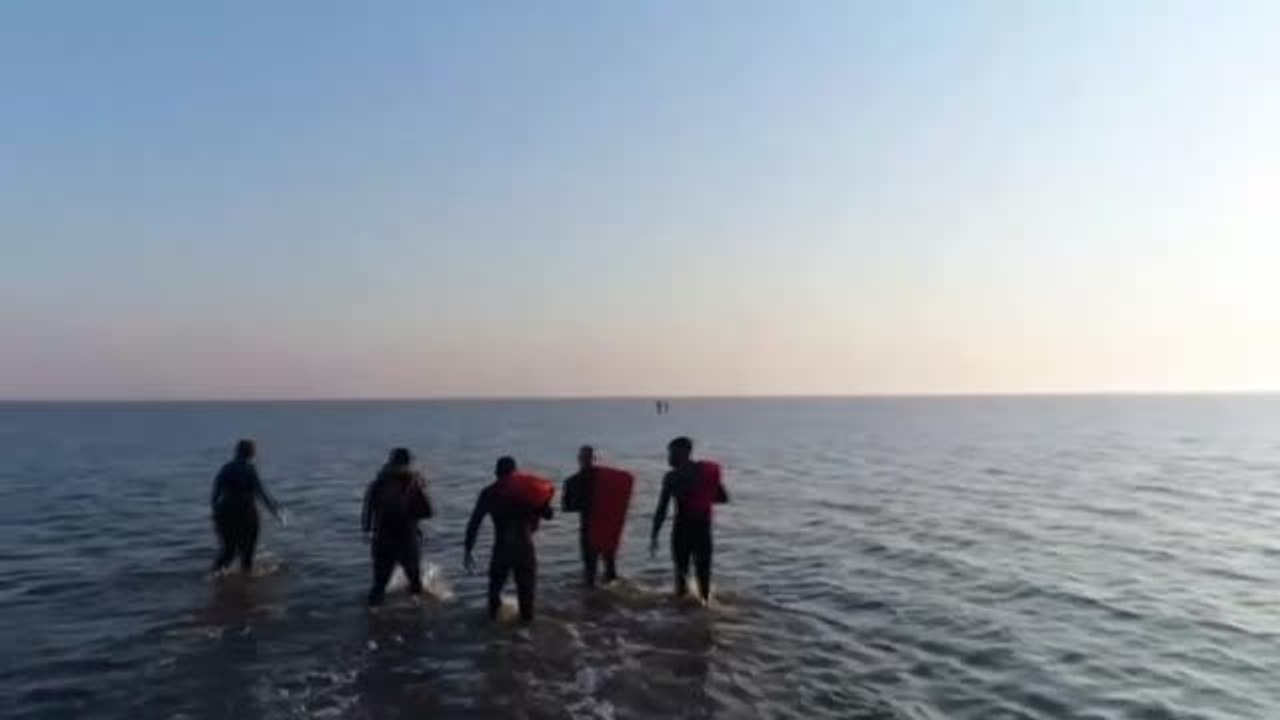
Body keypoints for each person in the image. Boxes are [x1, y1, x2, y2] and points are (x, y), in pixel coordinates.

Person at [464, 457, 554, 623]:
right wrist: (543, 502)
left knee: (494, 594)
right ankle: (526, 640)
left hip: (502, 550)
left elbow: (474, 522)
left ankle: (493, 637)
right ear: (515, 473)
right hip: (524, 549)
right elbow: (549, 514)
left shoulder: (489, 493)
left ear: (497, 473)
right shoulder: (526, 493)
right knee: (526, 600)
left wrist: (468, 549)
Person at [650, 436, 728, 603]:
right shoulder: (705, 472)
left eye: (672, 453)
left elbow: (662, 508)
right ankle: (704, 610)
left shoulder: (671, 477)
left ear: (685, 453)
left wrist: (654, 534)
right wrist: (702, 495)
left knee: (681, 574)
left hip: (682, 530)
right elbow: (722, 497)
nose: (669, 457)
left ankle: (682, 616)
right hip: (702, 529)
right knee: (703, 573)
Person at [362, 448, 434, 606]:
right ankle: (418, 617)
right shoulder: (414, 482)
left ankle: (372, 618)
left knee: (379, 585)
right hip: (407, 540)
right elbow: (428, 512)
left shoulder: (377, 483)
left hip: (382, 540)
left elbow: (366, 517)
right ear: (408, 463)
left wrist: (368, 532)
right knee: (415, 582)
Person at [211, 439, 282, 574]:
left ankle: (212, 578)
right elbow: (261, 494)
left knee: (228, 551)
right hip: (246, 514)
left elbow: (215, 494)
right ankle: (246, 586)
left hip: (225, 513)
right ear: (251, 453)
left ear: (237, 452)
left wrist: (215, 514)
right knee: (247, 554)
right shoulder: (250, 469)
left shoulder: (225, 468)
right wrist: (276, 512)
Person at [562, 445, 618, 587]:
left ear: (593, 459)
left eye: (589, 458)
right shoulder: (571, 482)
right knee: (590, 571)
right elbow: (565, 507)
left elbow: (617, 496)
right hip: (587, 529)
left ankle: (611, 604)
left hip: (606, 528)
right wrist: (586, 504)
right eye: (584, 457)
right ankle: (592, 602)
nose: (587, 461)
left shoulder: (604, 478)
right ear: (579, 459)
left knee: (610, 570)